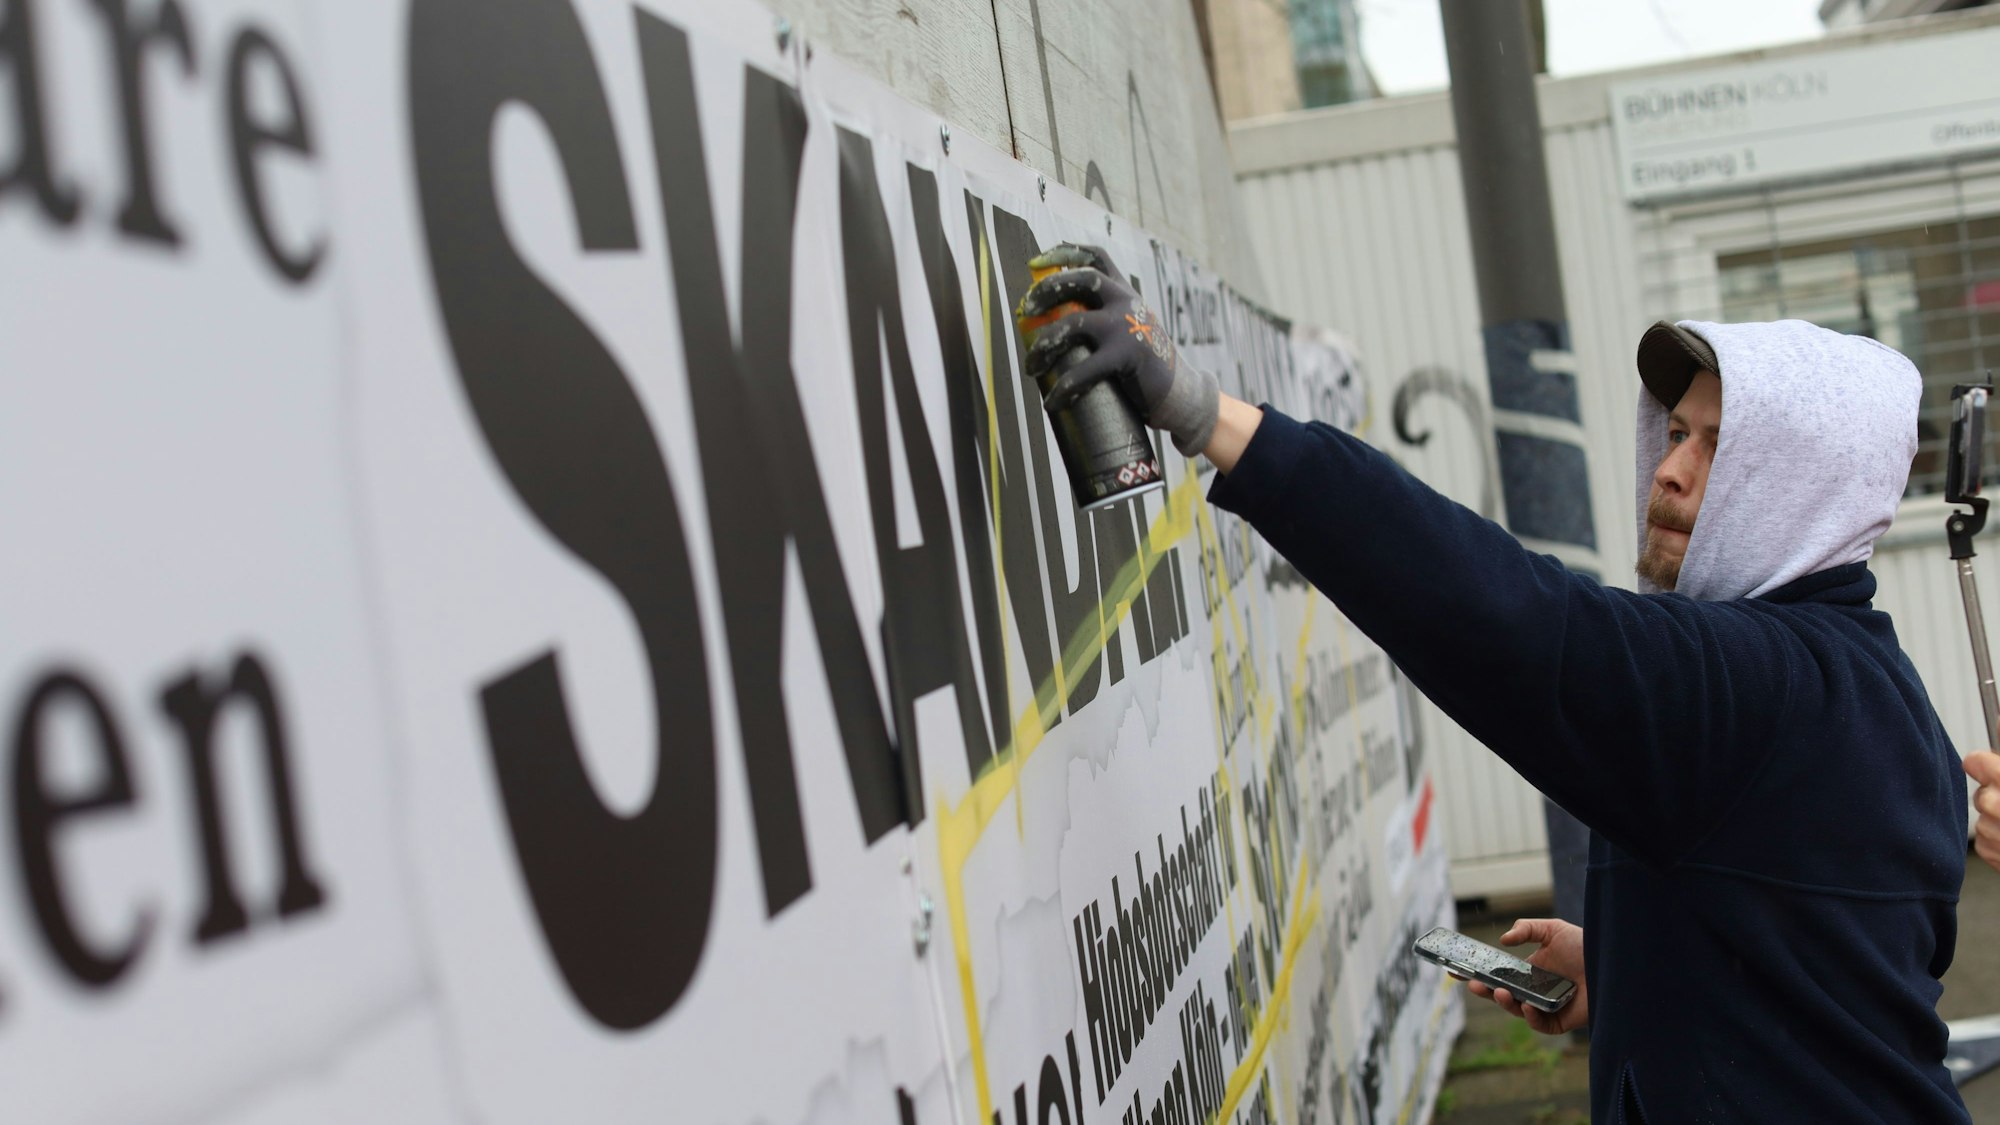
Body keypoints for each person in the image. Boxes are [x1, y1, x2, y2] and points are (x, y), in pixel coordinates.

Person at [1018, 244, 1973, 1122]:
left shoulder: (1760, 684)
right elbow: (1840, 958)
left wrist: (1204, 413)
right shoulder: (1886, 694)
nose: (1672, 474)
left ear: (1810, 485)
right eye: (1675, 432)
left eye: (1721, 449)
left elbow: (1507, 618)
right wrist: (1633, 965)